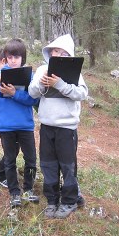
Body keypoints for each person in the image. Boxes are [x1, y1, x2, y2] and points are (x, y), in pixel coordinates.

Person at [28, 33, 88, 219]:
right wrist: (41, 83)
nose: (58, 54)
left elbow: (82, 94)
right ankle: (52, 200)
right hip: (47, 126)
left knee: (68, 166)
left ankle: (69, 201)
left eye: (63, 52)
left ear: (68, 55)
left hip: (67, 128)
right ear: (50, 53)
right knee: (48, 165)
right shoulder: (42, 70)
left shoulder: (75, 73)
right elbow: (32, 93)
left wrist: (60, 84)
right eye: (55, 51)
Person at [0, 38, 39, 207]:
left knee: (31, 159)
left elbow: (33, 100)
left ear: (23, 58)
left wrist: (15, 93)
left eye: (17, 57)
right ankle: (14, 192)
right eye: (10, 57)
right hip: (6, 125)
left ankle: (28, 190)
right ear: (5, 58)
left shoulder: (30, 76)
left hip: (25, 125)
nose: (13, 60)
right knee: (10, 160)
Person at [0, 48, 20, 189]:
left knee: (14, 148)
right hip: (3, 119)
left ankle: (1, 175)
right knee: (10, 150)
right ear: (4, 61)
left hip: (15, 119)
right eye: (8, 60)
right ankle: (1, 176)